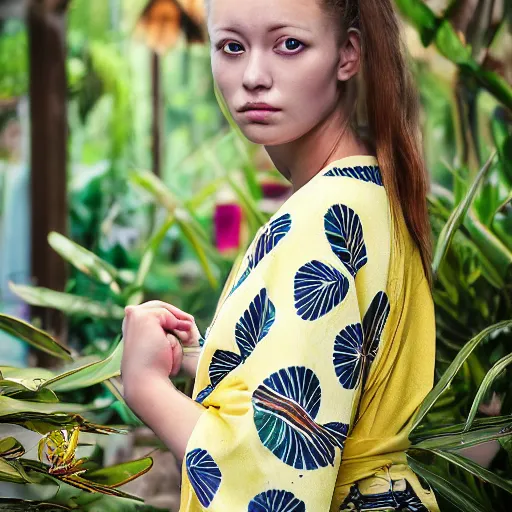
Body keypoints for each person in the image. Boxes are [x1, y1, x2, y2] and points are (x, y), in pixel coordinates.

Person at [121, 0, 441, 510]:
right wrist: (207, 362)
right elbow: (330, 388)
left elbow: (272, 481)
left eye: (289, 44)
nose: (252, 76)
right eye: (231, 46)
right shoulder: (370, 190)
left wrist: (143, 386)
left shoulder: (325, 214)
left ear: (347, 54)